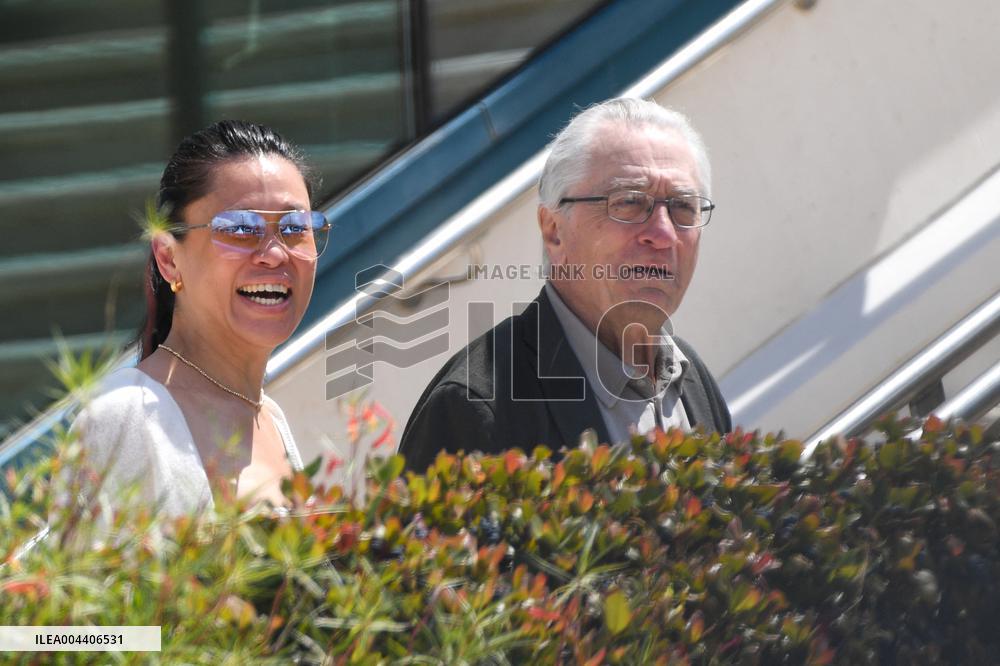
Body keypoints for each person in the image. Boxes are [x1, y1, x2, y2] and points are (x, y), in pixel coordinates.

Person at [400, 98, 731, 471]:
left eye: (683, 207)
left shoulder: (692, 382)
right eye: (629, 203)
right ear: (553, 230)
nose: (663, 233)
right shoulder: (474, 407)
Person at [71, 120, 330, 515]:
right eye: (241, 228)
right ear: (169, 258)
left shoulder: (269, 417)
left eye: (295, 228)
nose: (275, 254)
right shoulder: (124, 418)